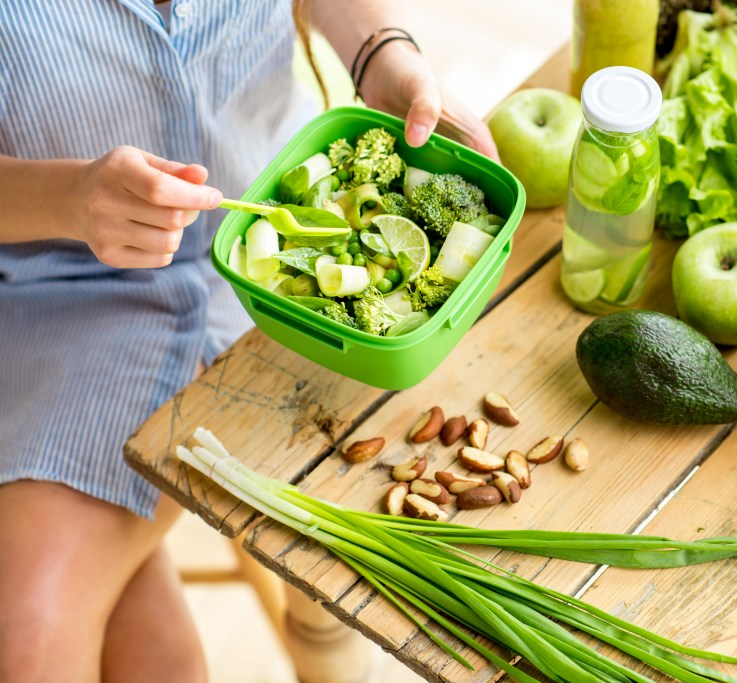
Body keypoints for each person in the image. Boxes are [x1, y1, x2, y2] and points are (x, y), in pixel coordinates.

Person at [0, 2, 498, 681]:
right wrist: (70, 198)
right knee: (35, 646)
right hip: (63, 286)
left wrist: (383, 54)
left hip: (296, 229)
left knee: (56, 639)